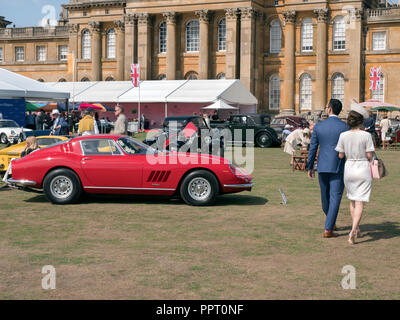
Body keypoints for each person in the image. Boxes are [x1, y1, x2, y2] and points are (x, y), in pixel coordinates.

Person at [306, 99, 350, 238]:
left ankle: (329, 225)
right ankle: (329, 227)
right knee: (335, 197)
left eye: (326, 107)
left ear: (329, 109)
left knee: (325, 197)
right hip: (338, 164)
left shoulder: (319, 127)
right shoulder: (345, 127)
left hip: (322, 165)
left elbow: (313, 148)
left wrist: (309, 166)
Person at [335, 105, 375, 245]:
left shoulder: (343, 135)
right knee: (360, 201)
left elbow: (340, 155)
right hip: (362, 167)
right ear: (361, 122)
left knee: (352, 200)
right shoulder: (366, 135)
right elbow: (370, 155)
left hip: (349, 168)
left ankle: (356, 228)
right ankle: (353, 230)